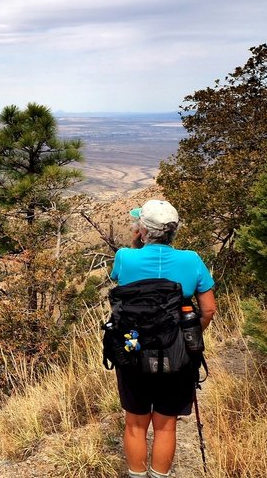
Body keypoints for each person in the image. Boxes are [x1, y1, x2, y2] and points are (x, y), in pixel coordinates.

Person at [110, 199, 217, 478]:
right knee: (166, 424)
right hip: (177, 356)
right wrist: (186, 339)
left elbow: (121, 280)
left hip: (132, 351)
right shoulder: (192, 259)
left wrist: (137, 244)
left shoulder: (124, 256)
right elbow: (208, 309)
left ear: (142, 229)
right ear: (174, 231)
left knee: (135, 423)